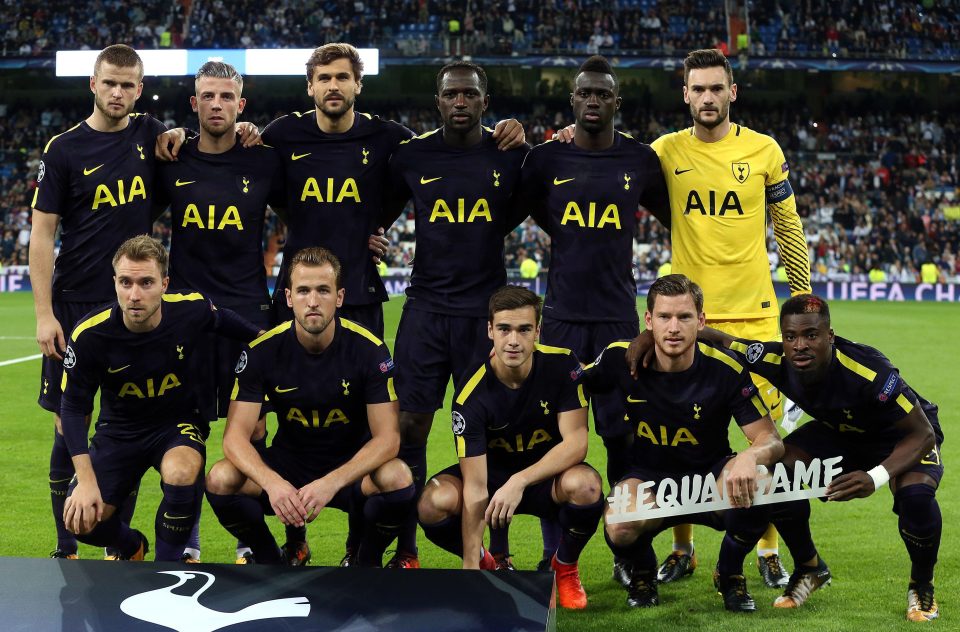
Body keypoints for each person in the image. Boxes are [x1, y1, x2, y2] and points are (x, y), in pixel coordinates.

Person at [648, 48, 812, 588]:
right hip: (689, 319)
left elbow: (788, 228)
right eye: (698, 89)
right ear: (686, 94)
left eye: (717, 88)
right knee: (678, 431)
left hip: (756, 318)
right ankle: (682, 545)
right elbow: (609, 173)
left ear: (732, 92)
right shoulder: (665, 151)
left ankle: (766, 550)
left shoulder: (764, 150)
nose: (707, 97)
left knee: (761, 440)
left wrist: (803, 301)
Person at [515, 54, 670, 574]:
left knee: (623, 435)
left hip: (616, 321)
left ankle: (628, 551)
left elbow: (673, 216)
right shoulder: (545, 159)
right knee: (557, 437)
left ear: (616, 102)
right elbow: (530, 206)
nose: (594, 101)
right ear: (574, 99)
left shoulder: (640, 160)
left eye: (604, 94)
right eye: (586, 93)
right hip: (559, 319)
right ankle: (554, 553)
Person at [699, 294, 942, 621]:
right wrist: (645, 337)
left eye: (811, 335)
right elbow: (722, 341)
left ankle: (921, 585)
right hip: (842, 432)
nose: (799, 345)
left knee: (916, 498)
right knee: (777, 473)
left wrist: (876, 476)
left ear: (829, 335)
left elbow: (922, 434)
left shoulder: (870, 372)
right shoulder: (773, 359)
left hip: (902, 435)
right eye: (790, 337)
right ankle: (809, 568)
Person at [380, 61, 530, 569]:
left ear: (485, 101)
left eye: (469, 94)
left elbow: (529, 203)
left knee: (492, 429)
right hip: (424, 311)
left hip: (483, 314)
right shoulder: (412, 155)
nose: (460, 102)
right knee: (411, 427)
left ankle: (499, 553)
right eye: (451, 95)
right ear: (438, 102)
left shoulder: (511, 156)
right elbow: (375, 208)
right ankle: (406, 548)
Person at [30, 44, 168, 560]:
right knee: (67, 424)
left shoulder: (151, 134)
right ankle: (65, 545)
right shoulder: (63, 149)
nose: (118, 92)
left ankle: (116, 543)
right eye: (109, 82)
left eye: (128, 84)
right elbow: (42, 235)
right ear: (93, 84)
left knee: (122, 423)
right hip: (74, 303)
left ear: (140, 89)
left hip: (128, 306)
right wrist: (44, 313)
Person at [585, 274, 786, 612]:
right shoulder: (621, 358)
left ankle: (730, 572)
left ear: (701, 321)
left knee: (764, 485)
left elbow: (770, 438)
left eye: (684, 317)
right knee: (619, 522)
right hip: (648, 478)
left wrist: (750, 457)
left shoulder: (725, 368)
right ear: (648, 321)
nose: (673, 327)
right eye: (664, 317)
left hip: (709, 477)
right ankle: (644, 572)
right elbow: (572, 380)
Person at [205, 247, 416, 566]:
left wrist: (331, 482)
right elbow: (234, 438)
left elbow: (388, 439)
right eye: (303, 291)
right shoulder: (262, 351)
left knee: (398, 476)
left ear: (340, 296)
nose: (313, 301)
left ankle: (365, 561)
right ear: (288, 297)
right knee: (221, 478)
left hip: (351, 468)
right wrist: (273, 483)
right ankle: (269, 559)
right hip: (289, 465)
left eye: (323, 290)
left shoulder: (369, 350)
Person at [59, 235, 262, 561]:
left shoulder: (191, 308)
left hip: (177, 423)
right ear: (114, 283)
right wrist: (85, 481)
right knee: (80, 520)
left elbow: (223, 319)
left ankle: (163, 568)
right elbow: (71, 409)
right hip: (119, 431)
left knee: (182, 472)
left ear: (165, 283)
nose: (135, 295)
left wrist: (265, 341)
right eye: (125, 282)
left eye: (146, 282)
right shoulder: (89, 335)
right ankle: (130, 545)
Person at [155, 60, 285, 563]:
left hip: (248, 314)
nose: (216, 105)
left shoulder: (263, 160)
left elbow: (304, 213)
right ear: (194, 104)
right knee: (186, 427)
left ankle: (246, 539)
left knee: (251, 428)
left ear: (240, 105)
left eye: (226, 97)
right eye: (207, 96)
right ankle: (187, 540)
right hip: (187, 316)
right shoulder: (172, 159)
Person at [417, 285, 604, 609]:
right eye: (504, 329)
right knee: (433, 503)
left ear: (538, 331)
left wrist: (520, 481)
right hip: (491, 480)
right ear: (490, 330)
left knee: (586, 486)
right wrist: (470, 568)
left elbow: (576, 444)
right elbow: (475, 487)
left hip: (545, 479)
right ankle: (483, 560)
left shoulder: (563, 366)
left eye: (523, 329)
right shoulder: (470, 394)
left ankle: (565, 568)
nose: (513, 340)